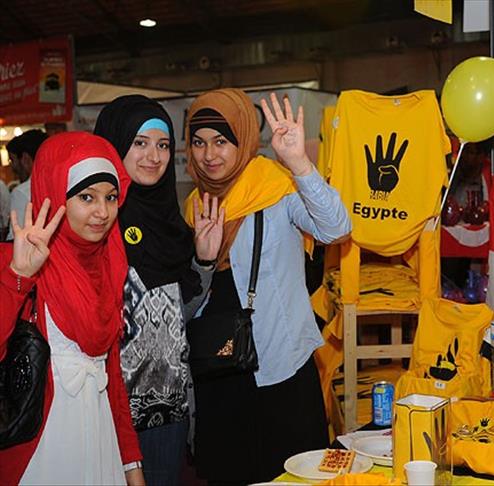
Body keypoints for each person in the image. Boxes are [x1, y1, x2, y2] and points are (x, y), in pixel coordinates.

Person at [184, 89, 351, 484]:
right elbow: (189, 298)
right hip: (218, 372)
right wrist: (202, 260)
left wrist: (299, 163)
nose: (209, 154)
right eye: (199, 142)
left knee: (293, 474)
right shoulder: (194, 204)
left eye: (221, 141)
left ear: (242, 138)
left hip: (280, 367)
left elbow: (336, 228)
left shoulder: (277, 187)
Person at [0, 132, 144, 485]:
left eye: (111, 197)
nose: (102, 212)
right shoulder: (17, 259)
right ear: (54, 194)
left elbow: (112, 379)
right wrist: (18, 278)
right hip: (37, 450)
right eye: (86, 197)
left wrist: (131, 465)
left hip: (99, 441)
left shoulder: (109, 264)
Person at [93, 95, 223, 485]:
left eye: (163, 145)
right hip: (105, 403)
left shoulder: (171, 224)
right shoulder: (96, 220)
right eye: (140, 143)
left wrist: (203, 261)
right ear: (115, 144)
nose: (154, 156)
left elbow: (179, 315)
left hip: (167, 407)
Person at [5, 129, 48, 241]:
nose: (12, 168)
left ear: (25, 159)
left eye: (12, 160)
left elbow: (15, 240)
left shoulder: (21, 192)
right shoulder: (65, 183)